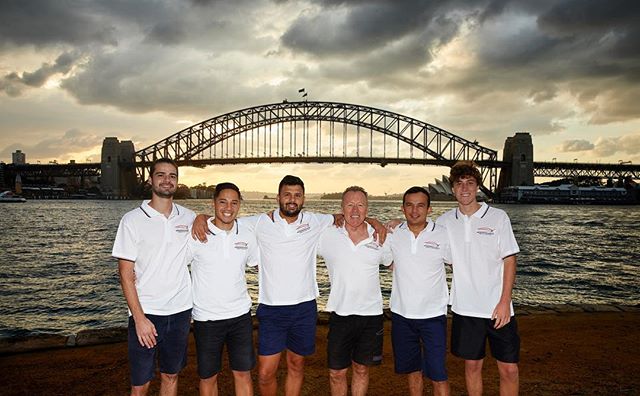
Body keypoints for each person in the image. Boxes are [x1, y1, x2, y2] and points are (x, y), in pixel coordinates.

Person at [192, 175, 386, 396]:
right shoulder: (258, 222)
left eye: (297, 195)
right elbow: (225, 217)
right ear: (278, 197)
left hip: (304, 308)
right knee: (265, 373)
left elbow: (349, 215)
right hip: (272, 309)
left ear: (303, 199)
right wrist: (201, 216)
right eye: (287, 194)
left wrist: (374, 221)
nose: (292, 200)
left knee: (296, 365)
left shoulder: (314, 221)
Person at [112, 158, 195, 396]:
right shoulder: (132, 220)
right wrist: (139, 318)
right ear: (150, 180)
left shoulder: (187, 217)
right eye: (161, 175)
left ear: (177, 182)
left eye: (172, 176)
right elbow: (125, 275)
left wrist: (201, 217)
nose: (167, 180)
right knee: (141, 383)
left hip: (180, 311)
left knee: (171, 375)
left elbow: (215, 222)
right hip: (147, 314)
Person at [437, 161, 520, 396]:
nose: (464, 189)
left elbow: (510, 260)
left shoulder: (498, 217)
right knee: (472, 367)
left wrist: (505, 301)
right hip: (466, 308)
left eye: (470, 183)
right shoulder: (443, 222)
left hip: (498, 308)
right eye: (459, 184)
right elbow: (418, 232)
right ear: (452, 188)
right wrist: (389, 226)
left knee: (509, 369)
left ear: (478, 187)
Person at [317, 186, 392, 396]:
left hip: (371, 316)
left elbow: (394, 262)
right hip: (340, 314)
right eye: (350, 205)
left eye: (360, 205)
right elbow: (298, 237)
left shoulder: (380, 237)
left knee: (361, 369)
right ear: (341, 208)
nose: (355, 210)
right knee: (336, 373)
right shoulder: (327, 236)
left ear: (368, 209)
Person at [187, 182, 258, 396]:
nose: (228, 207)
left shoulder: (247, 234)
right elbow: (174, 264)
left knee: (243, 374)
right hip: (207, 318)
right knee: (208, 377)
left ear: (239, 205)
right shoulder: (198, 233)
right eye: (223, 201)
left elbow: (260, 265)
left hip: (240, 317)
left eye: (234, 202)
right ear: (213, 203)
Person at [387, 186, 451, 396]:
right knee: (412, 371)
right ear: (403, 208)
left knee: (438, 374)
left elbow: (460, 264)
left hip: (433, 316)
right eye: (409, 205)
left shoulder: (443, 234)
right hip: (402, 315)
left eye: (420, 206)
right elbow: (384, 258)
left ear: (429, 209)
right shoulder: (394, 233)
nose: (415, 211)